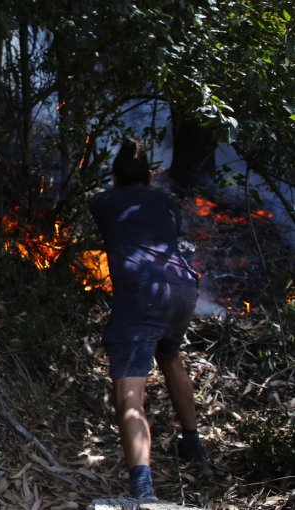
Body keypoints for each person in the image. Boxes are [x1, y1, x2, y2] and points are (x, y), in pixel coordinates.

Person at [88, 138, 209, 501]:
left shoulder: (103, 201)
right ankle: (192, 444)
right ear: (150, 174)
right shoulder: (167, 202)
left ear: (114, 176)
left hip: (141, 294)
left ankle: (143, 492)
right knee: (170, 356)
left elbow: (103, 208)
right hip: (182, 288)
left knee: (129, 397)